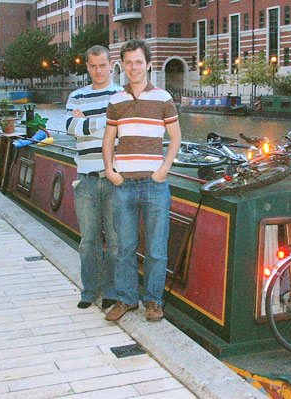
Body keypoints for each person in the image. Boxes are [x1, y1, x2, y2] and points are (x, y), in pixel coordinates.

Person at [102, 40, 181, 322]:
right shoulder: (116, 101)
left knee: (157, 249)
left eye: (138, 62)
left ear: (148, 64)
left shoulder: (163, 98)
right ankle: (127, 299)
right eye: (128, 62)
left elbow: (176, 138)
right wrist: (110, 170)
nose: (133, 67)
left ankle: (153, 302)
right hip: (123, 185)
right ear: (122, 66)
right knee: (124, 248)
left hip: (155, 185)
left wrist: (164, 169)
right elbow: (108, 140)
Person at [66, 45, 123, 310]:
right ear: (87, 67)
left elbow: (123, 132)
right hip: (86, 180)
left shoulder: (121, 95)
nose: (98, 71)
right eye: (93, 66)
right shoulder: (76, 96)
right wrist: (107, 124)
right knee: (88, 241)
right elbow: (71, 128)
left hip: (113, 179)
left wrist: (87, 123)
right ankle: (89, 291)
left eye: (102, 65)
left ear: (110, 65)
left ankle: (110, 290)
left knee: (114, 242)